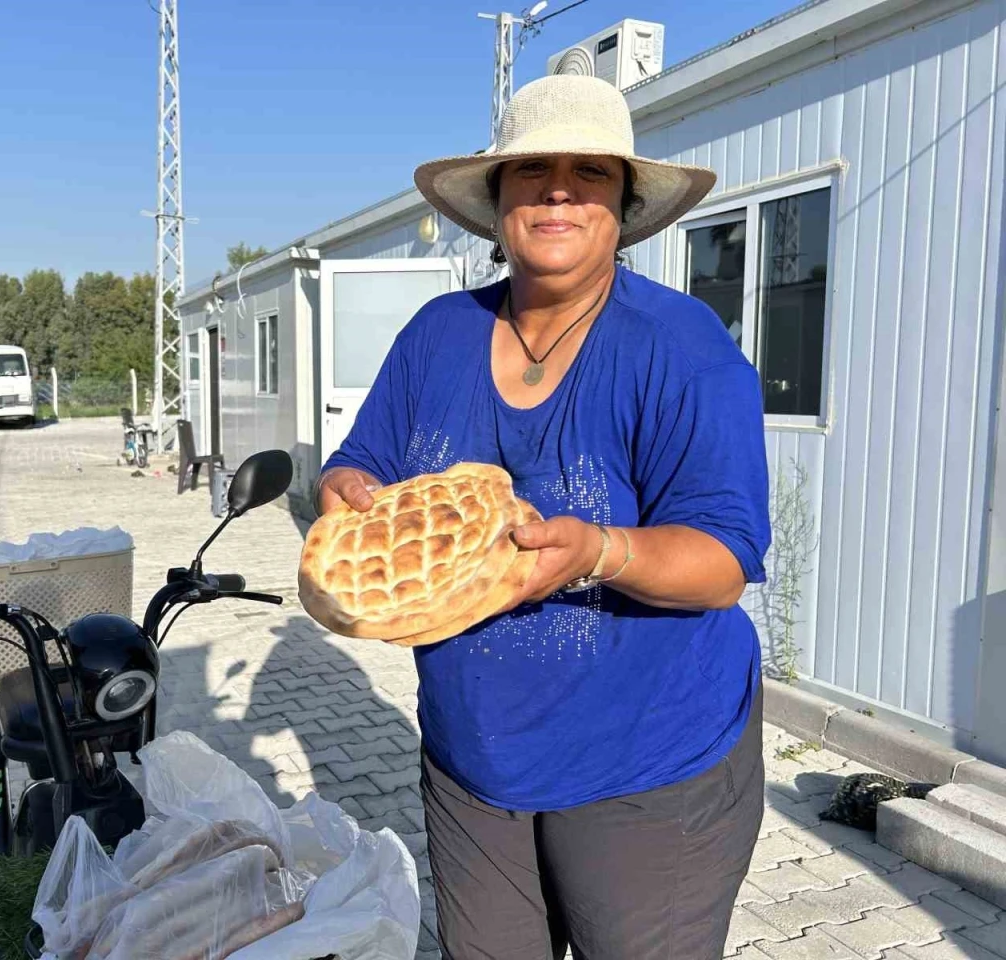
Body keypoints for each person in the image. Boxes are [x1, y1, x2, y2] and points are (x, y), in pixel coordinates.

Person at [314, 74, 771, 960]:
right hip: (472, 761)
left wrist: (598, 550)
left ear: (624, 206)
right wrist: (345, 493)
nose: (558, 190)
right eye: (532, 171)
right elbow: (359, 463)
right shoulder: (436, 333)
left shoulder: (679, 347)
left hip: (646, 763)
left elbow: (722, 561)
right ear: (495, 202)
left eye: (590, 172)